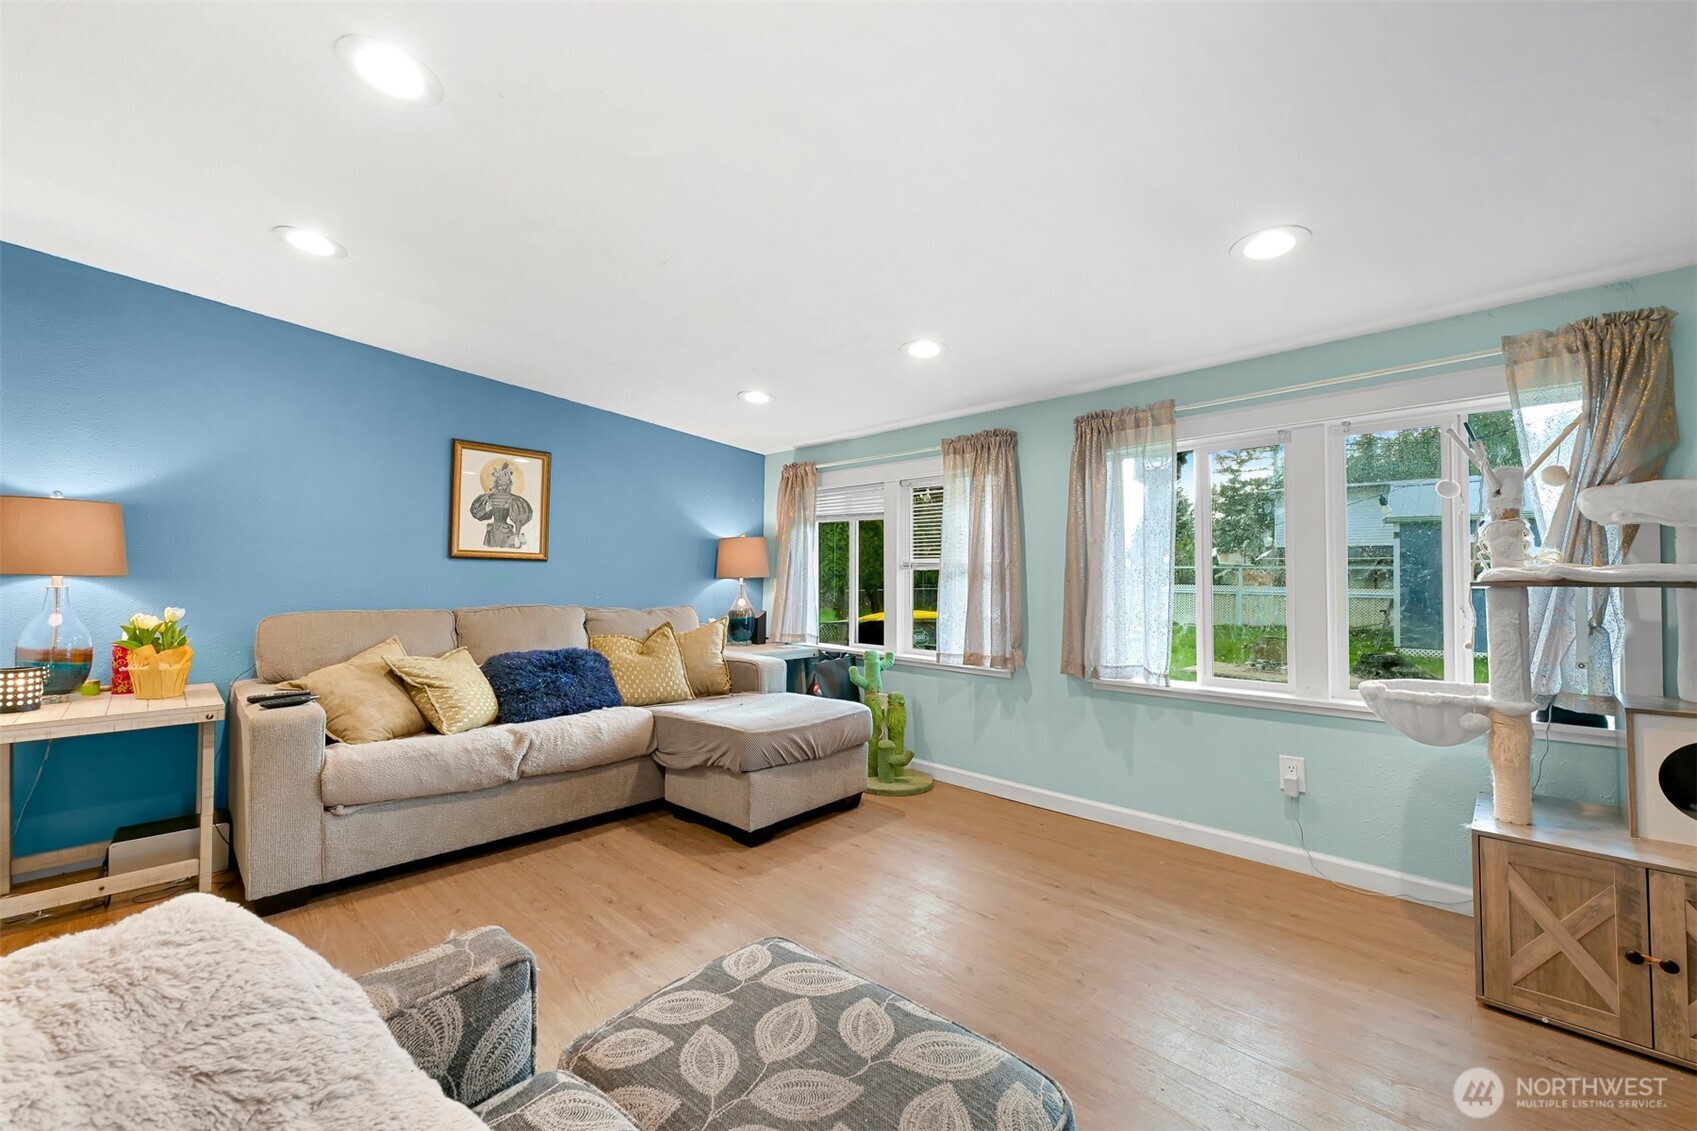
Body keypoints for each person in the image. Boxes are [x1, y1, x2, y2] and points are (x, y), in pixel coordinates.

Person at [469, 462, 533, 548]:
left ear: (508, 483)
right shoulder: (490, 497)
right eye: (500, 482)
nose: (501, 485)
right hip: (492, 533)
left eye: (504, 482)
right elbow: (477, 513)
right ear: (497, 482)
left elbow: (518, 520)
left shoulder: (513, 499)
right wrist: (487, 509)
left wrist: (517, 536)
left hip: (505, 533)